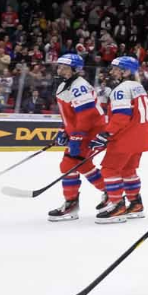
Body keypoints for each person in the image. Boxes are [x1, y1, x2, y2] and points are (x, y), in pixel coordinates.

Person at [46, 53, 108, 222]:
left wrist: (78, 137)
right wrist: (63, 130)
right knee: (84, 166)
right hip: (80, 132)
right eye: (60, 67)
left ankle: (71, 204)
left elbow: (86, 116)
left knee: (68, 165)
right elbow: (70, 116)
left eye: (65, 68)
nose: (61, 70)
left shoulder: (80, 86)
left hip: (90, 132)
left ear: (75, 70)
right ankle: (111, 191)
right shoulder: (63, 86)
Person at [94, 55, 148, 223]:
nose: (112, 72)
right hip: (140, 137)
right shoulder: (138, 87)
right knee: (128, 171)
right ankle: (135, 204)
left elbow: (121, 117)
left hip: (125, 138)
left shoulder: (121, 89)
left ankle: (117, 204)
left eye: (116, 69)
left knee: (109, 169)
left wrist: (107, 133)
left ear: (126, 72)